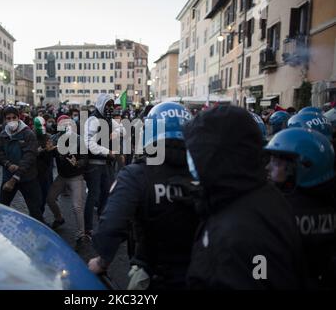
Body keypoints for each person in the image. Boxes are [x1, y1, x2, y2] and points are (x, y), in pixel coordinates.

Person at [183, 106, 306, 290]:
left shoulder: (242, 231)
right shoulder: (251, 195)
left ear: (216, 156)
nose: (191, 158)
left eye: (197, 151)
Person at [89, 102, 199, 290]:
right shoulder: (203, 172)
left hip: (154, 275)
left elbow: (111, 224)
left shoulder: (136, 174)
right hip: (200, 273)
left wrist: (102, 260)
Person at [265, 128, 336, 289]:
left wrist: (257, 278)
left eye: (276, 162)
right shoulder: (329, 202)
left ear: (302, 166)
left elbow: (259, 265)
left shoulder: (276, 211)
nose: (268, 167)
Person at [0, 107, 44, 222]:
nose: (11, 120)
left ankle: (40, 236)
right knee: (2, 208)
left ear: (18, 118)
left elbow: (29, 157)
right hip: (8, 176)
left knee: (35, 211)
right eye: (8, 118)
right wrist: (8, 164)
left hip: (27, 178)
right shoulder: (3, 134)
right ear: (5, 120)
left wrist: (15, 176)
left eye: (14, 117)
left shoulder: (28, 134)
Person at [46, 115, 88, 245]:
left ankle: (81, 233)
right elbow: (49, 154)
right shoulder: (54, 138)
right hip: (62, 176)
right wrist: (47, 150)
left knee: (77, 206)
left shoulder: (79, 140)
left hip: (76, 177)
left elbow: (85, 159)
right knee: (50, 198)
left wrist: (77, 163)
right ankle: (59, 218)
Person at [83, 94, 121, 236]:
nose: (110, 108)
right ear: (101, 105)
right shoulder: (93, 119)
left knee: (107, 194)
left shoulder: (109, 120)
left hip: (107, 164)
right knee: (93, 195)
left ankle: (101, 223)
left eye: (112, 105)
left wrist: (116, 133)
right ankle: (88, 228)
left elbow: (122, 129)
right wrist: (107, 152)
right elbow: (88, 143)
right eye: (108, 105)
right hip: (94, 164)